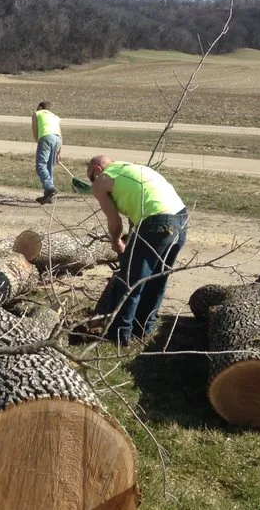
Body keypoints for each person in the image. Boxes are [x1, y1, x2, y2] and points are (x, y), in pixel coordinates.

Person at [86, 155, 188, 346]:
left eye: (91, 177)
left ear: (98, 170)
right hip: (180, 219)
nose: (93, 183)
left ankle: (119, 335)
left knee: (131, 280)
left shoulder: (101, 181)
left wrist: (116, 240)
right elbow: (140, 206)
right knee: (157, 278)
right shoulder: (132, 169)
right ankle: (143, 330)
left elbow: (114, 221)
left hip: (157, 222)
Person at [32, 101, 61, 204]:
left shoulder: (37, 114)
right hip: (57, 139)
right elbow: (59, 133)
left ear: (40, 107)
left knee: (40, 165)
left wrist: (38, 140)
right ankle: (48, 196)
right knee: (49, 167)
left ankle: (49, 188)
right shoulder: (55, 117)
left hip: (45, 137)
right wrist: (58, 152)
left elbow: (35, 130)